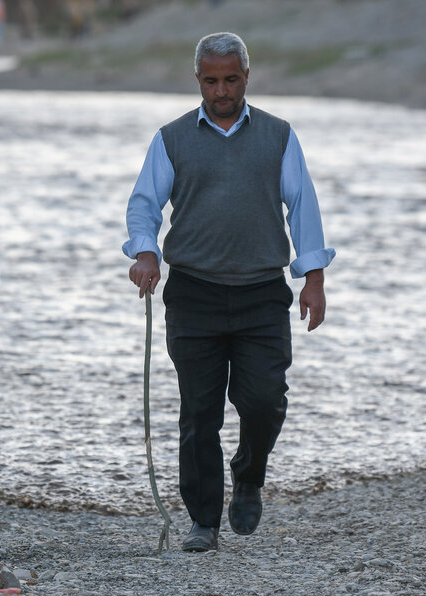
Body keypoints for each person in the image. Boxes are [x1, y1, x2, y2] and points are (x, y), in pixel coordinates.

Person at [124, 33, 335, 552]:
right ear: (198, 80)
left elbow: (302, 207)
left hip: (262, 293)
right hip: (193, 293)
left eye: (231, 79)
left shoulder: (278, 136)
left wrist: (313, 279)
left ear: (247, 77)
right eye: (212, 80)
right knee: (200, 411)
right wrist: (145, 252)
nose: (222, 90)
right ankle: (203, 521)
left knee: (264, 402)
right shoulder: (171, 138)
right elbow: (143, 204)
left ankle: (248, 474)